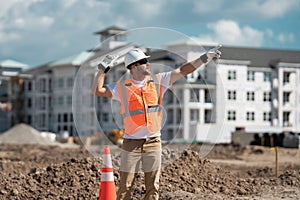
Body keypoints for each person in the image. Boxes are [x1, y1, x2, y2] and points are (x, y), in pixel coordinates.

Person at [93, 47, 221, 200]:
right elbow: (97, 90)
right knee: (125, 186)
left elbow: (183, 70)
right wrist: (103, 69)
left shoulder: (159, 81)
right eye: (143, 62)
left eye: (147, 61)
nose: (148, 64)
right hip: (131, 143)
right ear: (133, 66)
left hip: (153, 141)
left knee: (153, 187)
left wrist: (205, 57)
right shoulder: (122, 88)